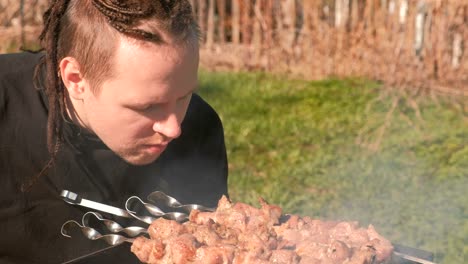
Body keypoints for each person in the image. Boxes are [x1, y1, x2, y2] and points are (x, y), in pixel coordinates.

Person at [0, 0, 228, 263]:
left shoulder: (199, 127)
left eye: (184, 97)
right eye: (148, 106)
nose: (174, 128)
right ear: (75, 79)